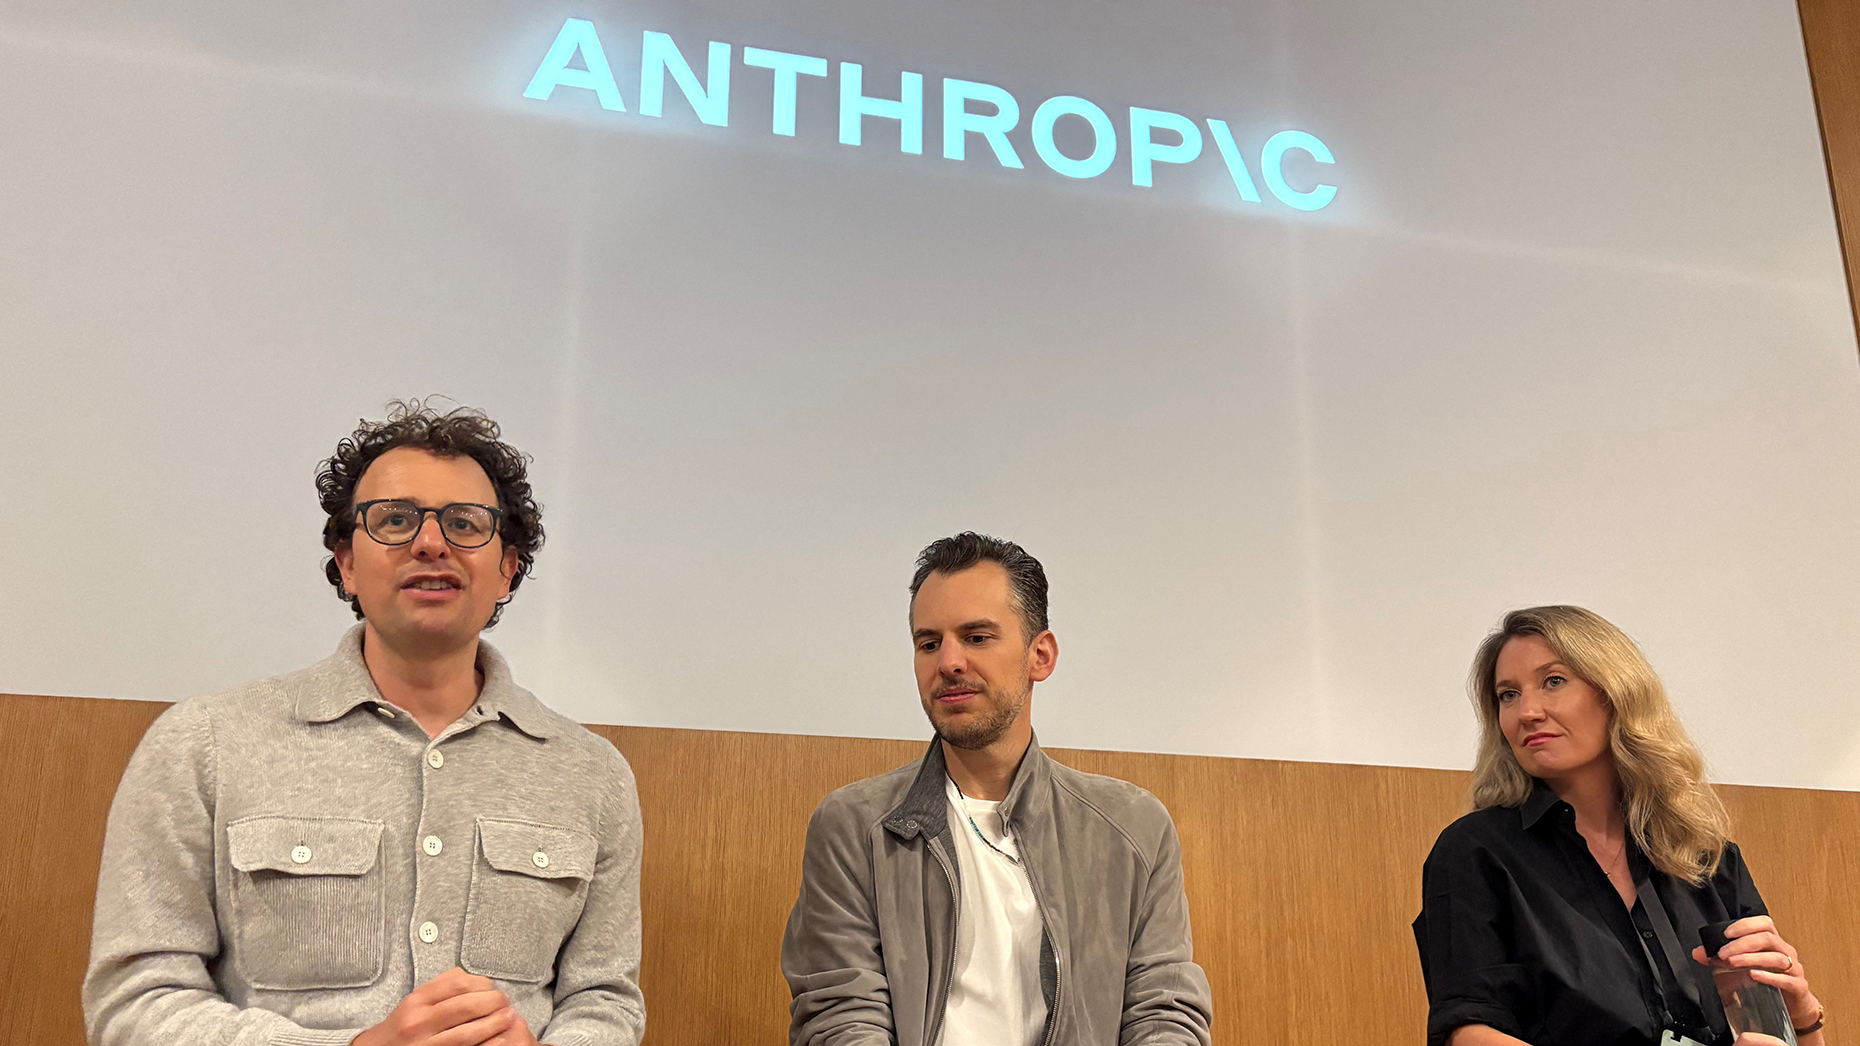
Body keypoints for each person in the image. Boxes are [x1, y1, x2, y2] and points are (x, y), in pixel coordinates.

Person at [84, 401, 646, 1046]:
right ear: (347, 562)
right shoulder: (204, 744)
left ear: (508, 569)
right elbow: (134, 999)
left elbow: (604, 998)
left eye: (465, 524)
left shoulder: (592, 773)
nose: (430, 542)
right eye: (395, 520)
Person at [781, 532, 1213, 1046]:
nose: (949, 662)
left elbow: (1162, 1013)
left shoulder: (1132, 828)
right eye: (928, 643)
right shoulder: (855, 826)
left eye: (977, 637)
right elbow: (841, 1014)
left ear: (1041, 656)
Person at [1413, 605, 1828, 1046]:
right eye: (1507, 695)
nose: (1527, 711)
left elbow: (1771, 1033)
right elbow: (1469, 1032)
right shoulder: (1476, 851)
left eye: (1553, 682)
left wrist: (1801, 1016)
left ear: (1617, 693)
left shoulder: (1706, 855)